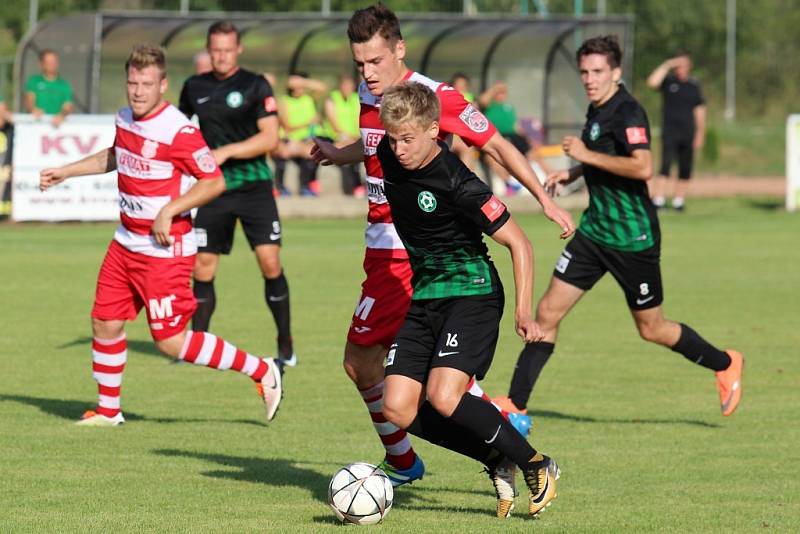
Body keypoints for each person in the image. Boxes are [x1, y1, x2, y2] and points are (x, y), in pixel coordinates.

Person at [311, 4, 573, 489]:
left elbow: (495, 144)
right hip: (380, 250)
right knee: (382, 372)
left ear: (399, 49)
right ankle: (461, 439)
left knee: (370, 365)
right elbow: (376, 144)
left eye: (375, 62)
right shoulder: (375, 101)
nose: (367, 73)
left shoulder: (435, 98)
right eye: (359, 64)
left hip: (409, 255)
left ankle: (421, 456)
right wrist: (339, 152)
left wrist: (544, 200)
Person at [492, 35, 743, 418]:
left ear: (616, 72)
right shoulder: (598, 108)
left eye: (598, 72)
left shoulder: (627, 111)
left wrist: (583, 155)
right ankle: (515, 404)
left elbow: (642, 166)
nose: (590, 79)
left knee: (651, 328)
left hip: (632, 238)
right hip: (594, 234)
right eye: (584, 72)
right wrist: (573, 171)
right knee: (546, 313)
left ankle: (725, 363)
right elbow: (606, 156)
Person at [38, 44, 283, 427]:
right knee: (105, 321)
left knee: (170, 341)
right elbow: (117, 155)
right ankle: (108, 410)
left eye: (146, 84)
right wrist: (67, 171)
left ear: (163, 85)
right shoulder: (124, 118)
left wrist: (170, 210)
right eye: (132, 82)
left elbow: (213, 181)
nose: (137, 91)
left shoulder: (178, 131)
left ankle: (262, 369)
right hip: (125, 242)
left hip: (164, 249)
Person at [378, 81, 560, 519]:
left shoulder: (459, 183)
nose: (398, 149)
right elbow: (364, 146)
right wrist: (335, 152)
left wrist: (522, 310)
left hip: (472, 293)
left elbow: (521, 244)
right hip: (426, 298)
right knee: (397, 408)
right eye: (392, 137)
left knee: (443, 396)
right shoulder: (388, 151)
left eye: (407, 139)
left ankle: (536, 463)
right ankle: (496, 458)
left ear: (432, 130)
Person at [179, 22, 297, 367]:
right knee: (202, 267)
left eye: (227, 50)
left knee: (269, 262)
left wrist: (226, 151)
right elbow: (180, 131)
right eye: (215, 49)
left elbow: (270, 137)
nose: (221, 56)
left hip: (254, 187)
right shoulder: (194, 86)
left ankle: (285, 345)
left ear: (239, 49)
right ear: (208, 48)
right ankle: (197, 345)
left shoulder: (255, 84)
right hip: (212, 188)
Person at [646, 52, 706, 211]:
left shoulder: (694, 86)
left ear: (689, 67)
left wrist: (700, 133)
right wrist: (667, 64)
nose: (681, 68)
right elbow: (652, 82)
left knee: (685, 167)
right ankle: (658, 199)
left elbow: (700, 110)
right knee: (665, 164)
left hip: (688, 132)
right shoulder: (668, 82)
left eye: (683, 65)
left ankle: (678, 201)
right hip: (670, 131)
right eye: (678, 65)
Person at [274, 73, 327, 197]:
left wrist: (302, 81)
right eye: (295, 86)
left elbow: (322, 88)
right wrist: (308, 123)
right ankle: (280, 187)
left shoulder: (309, 98)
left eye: (300, 86)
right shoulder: (284, 101)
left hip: (310, 139)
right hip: (292, 140)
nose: (298, 88)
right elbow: (287, 126)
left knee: (312, 151)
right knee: (289, 152)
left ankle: (306, 187)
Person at [322, 74, 365, 196]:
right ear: (340, 86)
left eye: (350, 86)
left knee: (357, 147)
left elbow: (359, 121)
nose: (347, 88)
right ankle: (353, 187)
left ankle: (357, 186)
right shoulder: (332, 99)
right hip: (335, 136)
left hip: (353, 137)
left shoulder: (356, 98)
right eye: (345, 85)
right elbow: (334, 125)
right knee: (348, 148)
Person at [24, 49, 73, 128]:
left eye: (54, 61)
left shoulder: (64, 85)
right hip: (36, 126)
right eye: (49, 62)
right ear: (42, 64)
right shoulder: (34, 81)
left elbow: (67, 106)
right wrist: (33, 109)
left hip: (57, 127)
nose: (52, 64)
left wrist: (62, 115)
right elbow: (29, 100)